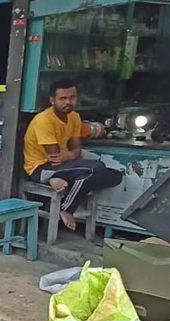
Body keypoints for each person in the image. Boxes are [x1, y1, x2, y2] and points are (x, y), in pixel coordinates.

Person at [24, 78, 123, 230]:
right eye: (62, 98)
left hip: (64, 166)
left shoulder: (74, 117)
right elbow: (55, 156)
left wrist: (70, 155)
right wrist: (72, 154)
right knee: (96, 168)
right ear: (52, 100)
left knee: (116, 176)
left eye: (72, 97)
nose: (68, 102)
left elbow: (77, 150)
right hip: (41, 168)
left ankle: (59, 179)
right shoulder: (44, 120)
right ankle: (67, 208)